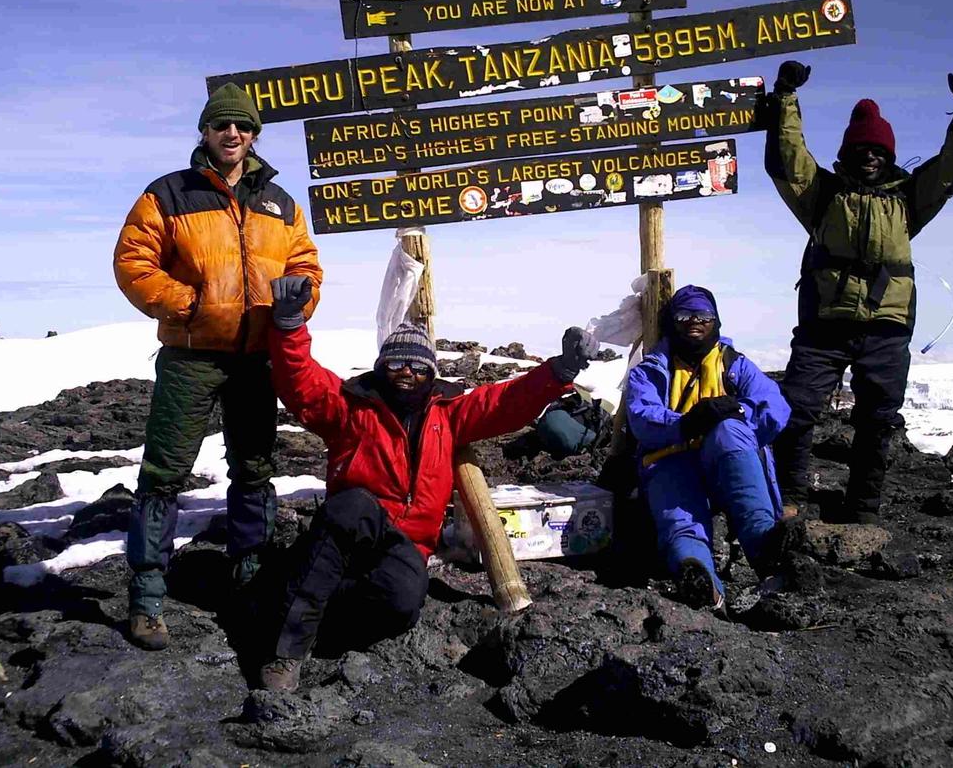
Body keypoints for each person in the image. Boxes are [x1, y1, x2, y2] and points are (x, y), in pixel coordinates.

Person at [258, 277, 591, 692]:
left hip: (407, 544)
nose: (407, 373)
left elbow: (504, 403)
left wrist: (558, 371)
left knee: (402, 605)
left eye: (418, 366)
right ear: (381, 367)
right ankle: (287, 651)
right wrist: (289, 324)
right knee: (354, 504)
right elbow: (301, 382)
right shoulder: (349, 405)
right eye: (397, 363)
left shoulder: (448, 414)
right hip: (353, 529)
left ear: (430, 374)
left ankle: (303, 599)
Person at [114, 83, 322, 650]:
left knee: (254, 466)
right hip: (190, 356)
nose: (233, 134)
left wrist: (294, 306)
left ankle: (249, 571)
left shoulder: (279, 203)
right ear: (205, 132)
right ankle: (147, 594)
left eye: (243, 126)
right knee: (164, 472)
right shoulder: (169, 194)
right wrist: (191, 306)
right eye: (222, 125)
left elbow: (306, 265)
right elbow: (134, 262)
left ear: (253, 134)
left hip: (257, 358)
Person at [765, 60, 953, 523]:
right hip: (823, 327)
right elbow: (789, 157)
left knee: (878, 421)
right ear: (846, 153)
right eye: (861, 148)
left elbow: (952, 169)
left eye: (878, 150)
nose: (870, 155)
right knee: (796, 411)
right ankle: (790, 499)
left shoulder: (909, 198)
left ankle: (862, 510)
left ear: (888, 155)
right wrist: (785, 96)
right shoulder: (822, 194)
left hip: (886, 330)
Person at [626, 285, 790, 610]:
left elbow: (775, 408)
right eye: (684, 315)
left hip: (728, 460)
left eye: (703, 315)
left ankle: (771, 563)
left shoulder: (735, 365)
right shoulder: (652, 371)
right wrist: (686, 423)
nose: (694, 322)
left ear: (716, 320)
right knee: (680, 523)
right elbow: (642, 416)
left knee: (730, 430)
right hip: (672, 461)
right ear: (672, 321)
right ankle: (702, 584)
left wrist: (738, 411)